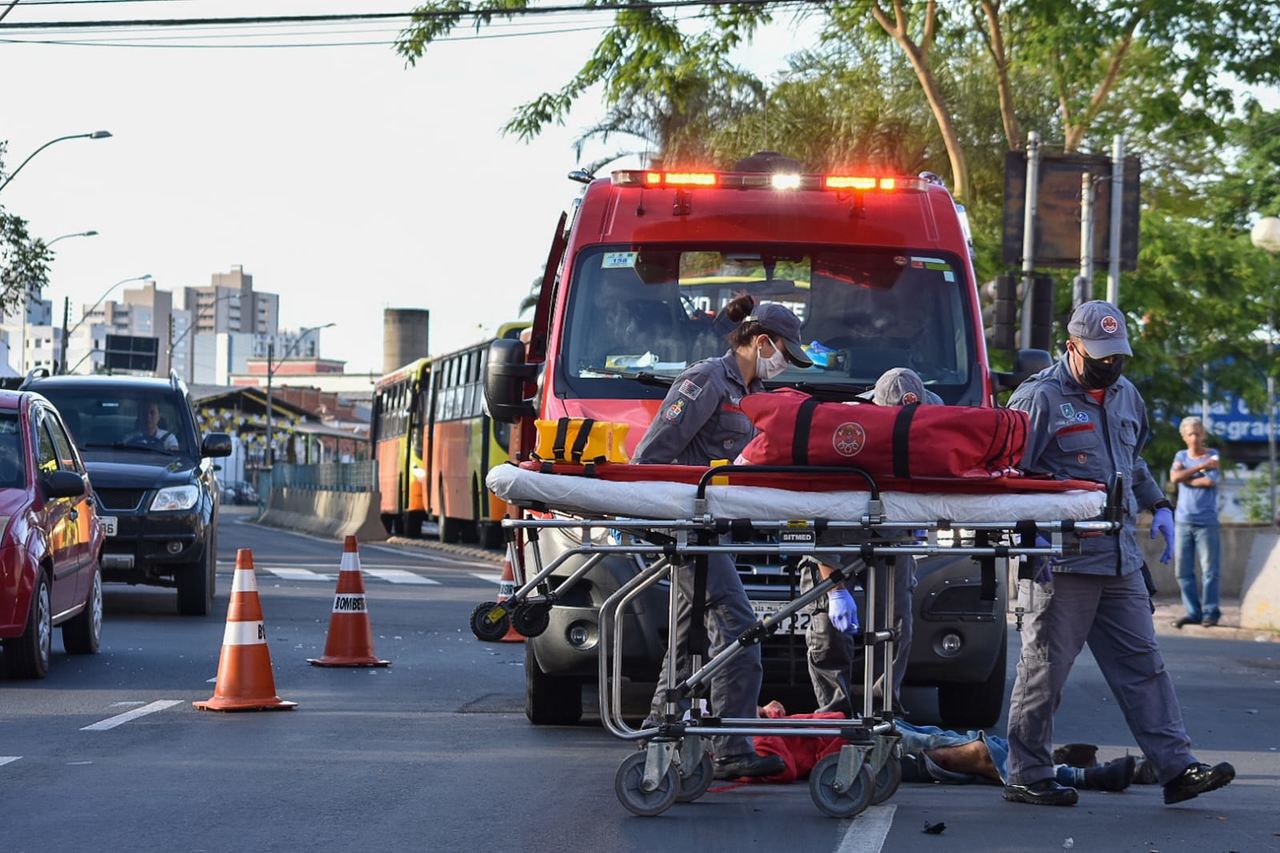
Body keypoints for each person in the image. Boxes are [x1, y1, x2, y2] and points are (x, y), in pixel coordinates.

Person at [1003, 300, 1234, 808]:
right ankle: (1029, 771)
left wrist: (1159, 504)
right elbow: (1006, 474)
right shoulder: (1036, 399)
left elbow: (1133, 461)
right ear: (1072, 347)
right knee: (1044, 670)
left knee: (1144, 666)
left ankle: (1177, 768)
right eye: (1100, 355)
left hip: (1121, 559)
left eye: (1118, 354)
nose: (1110, 365)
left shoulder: (1127, 395)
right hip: (1062, 562)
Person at [634, 295, 812, 780]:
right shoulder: (706, 381)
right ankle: (730, 747)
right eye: (784, 355)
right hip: (690, 530)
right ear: (761, 341)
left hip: (712, 532)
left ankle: (659, 730)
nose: (785, 367)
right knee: (739, 631)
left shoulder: (749, 391)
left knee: (690, 638)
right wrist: (671, 522)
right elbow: (651, 458)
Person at [801, 367, 939, 715]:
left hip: (894, 538)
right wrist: (834, 589)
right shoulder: (843, 431)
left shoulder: (934, 417)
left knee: (896, 628)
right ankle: (834, 717)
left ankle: (882, 714)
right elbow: (820, 514)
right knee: (827, 631)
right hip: (838, 535)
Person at [1169, 416, 1222, 628]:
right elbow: (1174, 478)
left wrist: (1185, 476)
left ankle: (1211, 612)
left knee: (1210, 569)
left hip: (1207, 521)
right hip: (1183, 520)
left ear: (1204, 435)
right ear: (1184, 437)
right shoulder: (1181, 455)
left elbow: (1209, 481)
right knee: (1182, 570)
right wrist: (1199, 468)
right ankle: (1193, 611)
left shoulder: (1213, 455)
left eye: (1198, 433)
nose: (1194, 438)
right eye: (1190, 434)